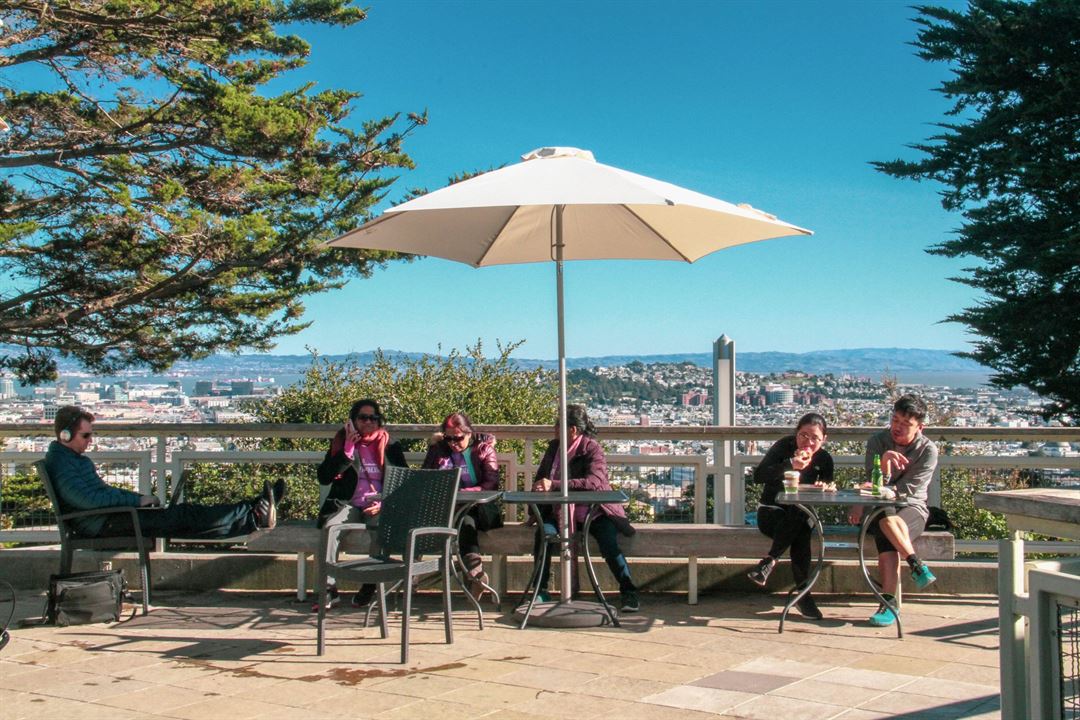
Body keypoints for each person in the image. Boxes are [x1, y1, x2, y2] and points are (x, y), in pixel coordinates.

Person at [45, 405, 282, 539]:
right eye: (86, 435)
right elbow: (88, 500)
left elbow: (101, 494)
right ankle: (253, 514)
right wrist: (137, 501)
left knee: (184, 517)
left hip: (109, 519)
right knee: (183, 517)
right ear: (65, 435)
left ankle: (252, 513)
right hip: (103, 525)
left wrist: (138, 500)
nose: (90, 440)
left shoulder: (73, 460)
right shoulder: (61, 463)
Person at [531, 404, 639, 612]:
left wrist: (555, 485)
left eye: (558, 425)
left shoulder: (591, 448)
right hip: (558, 511)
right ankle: (541, 589)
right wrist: (536, 503)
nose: (555, 429)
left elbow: (593, 482)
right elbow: (542, 476)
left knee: (608, 543)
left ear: (572, 430)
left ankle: (628, 590)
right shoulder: (554, 448)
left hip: (593, 511)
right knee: (543, 536)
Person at [850, 393, 939, 627]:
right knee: (885, 520)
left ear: (920, 427)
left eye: (906, 423)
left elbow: (907, 491)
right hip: (879, 507)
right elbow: (872, 484)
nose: (897, 427)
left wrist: (882, 484)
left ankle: (888, 603)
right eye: (895, 420)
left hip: (912, 508)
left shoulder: (927, 450)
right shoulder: (878, 441)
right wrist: (884, 464)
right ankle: (915, 565)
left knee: (886, 526)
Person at [314, 399, 406, 612]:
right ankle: (328, 588)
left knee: (381, 528)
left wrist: (384, 503)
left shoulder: (390, 445)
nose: (369, 422)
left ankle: (370, 584)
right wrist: (347, 450)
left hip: (379, 504)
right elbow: (324, 477)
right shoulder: (341, 442)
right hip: (347, 503)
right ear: (353, 421)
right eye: (363, 418)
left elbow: (403, 480)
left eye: (373, 418)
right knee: (330, 528)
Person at [746, 413, 834, 620]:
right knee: (801, 530)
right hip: (771, 511)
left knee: (800, 519)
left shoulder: (824, 459)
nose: (808, 443)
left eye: (815, 438)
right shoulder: (783, 447)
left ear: (824, 439)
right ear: (796, 433)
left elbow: (828, 485)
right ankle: (804, 596)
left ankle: (769, 561)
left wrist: (824, 486)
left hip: (801, 514)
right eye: (803, 436)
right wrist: (790, 465)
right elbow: (759, 476)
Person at [422, 412, 502, 598]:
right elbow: (426, 477)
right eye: (448, 438)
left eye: (458, 438)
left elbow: (491, 483)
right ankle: (475, 576)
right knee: (460, 521)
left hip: (478, 508)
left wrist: (463, 494)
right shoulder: (438, 450)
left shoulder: (483, 449)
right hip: (445, 508)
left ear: (469, 433)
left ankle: (473, 575)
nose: (453, 443)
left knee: (466, 521)